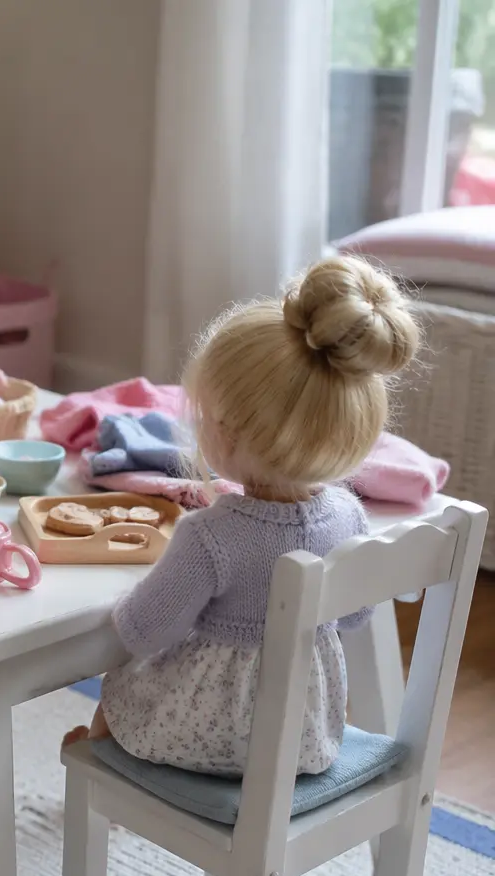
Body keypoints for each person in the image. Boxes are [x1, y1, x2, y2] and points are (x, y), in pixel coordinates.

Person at [64, 255, 420, 776]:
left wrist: (130, 596)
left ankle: (103, 763)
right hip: (307, 736)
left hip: (213, 735)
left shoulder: (213, 535)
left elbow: (142, 631)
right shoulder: (348, 515)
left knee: (122, 689)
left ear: (228, 434)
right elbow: (356, 617)